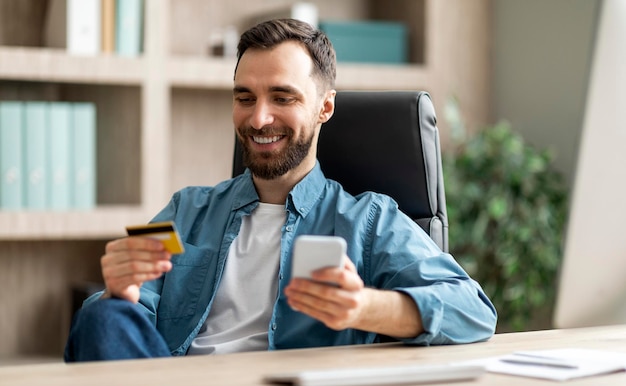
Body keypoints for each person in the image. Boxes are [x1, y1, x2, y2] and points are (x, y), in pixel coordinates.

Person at [64, 18, 497, 362]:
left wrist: (364, 308)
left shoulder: (369, 219)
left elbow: (472, 309)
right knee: (101, 315)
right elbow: (117, 326)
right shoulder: (184, 208)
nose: (258, 119)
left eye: (282, 98)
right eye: (245, 97)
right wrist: (120, 292)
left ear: (324, 106)